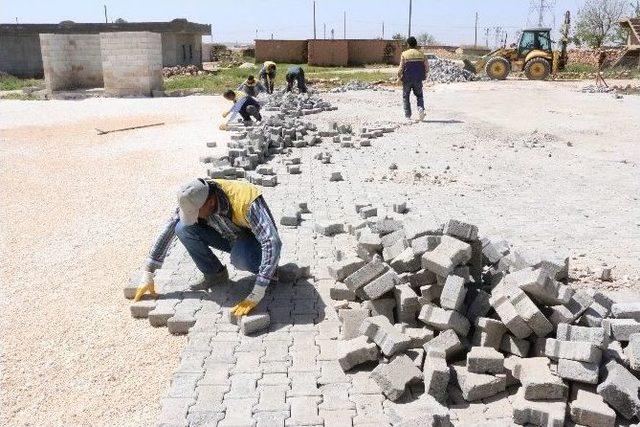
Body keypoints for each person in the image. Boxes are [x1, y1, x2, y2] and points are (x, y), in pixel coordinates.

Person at [133, 178, 282, 317]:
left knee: (240, 258)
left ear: (210, 202)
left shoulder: (246, 201)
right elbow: (170, 226)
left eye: (195, 213)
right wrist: (148, 271)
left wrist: (258, 291)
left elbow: (271, 241)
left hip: (253, 241)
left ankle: (269, 269)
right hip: (229, 234)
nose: (194, 217)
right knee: (182, 228)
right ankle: (215, 274)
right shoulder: (194, 195)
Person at [398, 36, 429, 122]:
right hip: (418, 79)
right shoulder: (421, 54)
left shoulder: (404, 54)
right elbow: (427, 67)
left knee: (406, 96)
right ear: (416, 44)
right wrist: (425, 74)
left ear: (408, 44)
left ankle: (408, 116)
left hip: (407, 79)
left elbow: (401, 67)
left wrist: (399, 75)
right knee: (419, 96)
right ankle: (420, 109)